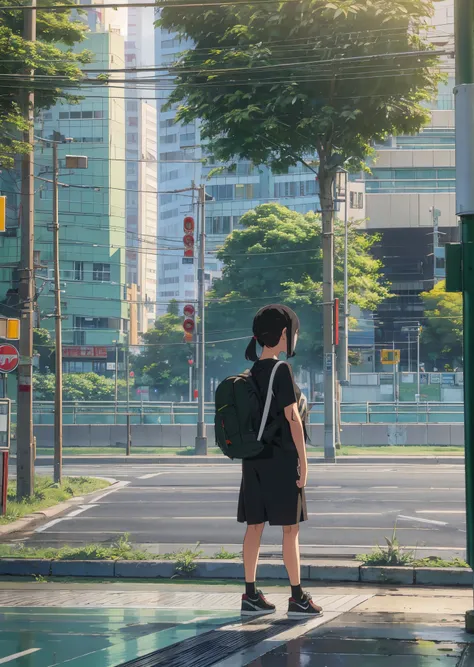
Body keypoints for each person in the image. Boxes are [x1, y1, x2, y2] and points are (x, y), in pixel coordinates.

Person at [238, 304, 323, 618]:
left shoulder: (251, 373)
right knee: (290, 530)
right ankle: (297, 597)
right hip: (282, 461)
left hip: (253, 461)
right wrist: (304, 461)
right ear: (284, 333)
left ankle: (250, 595)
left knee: (254, 527)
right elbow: (293, 419)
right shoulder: (281, 370)